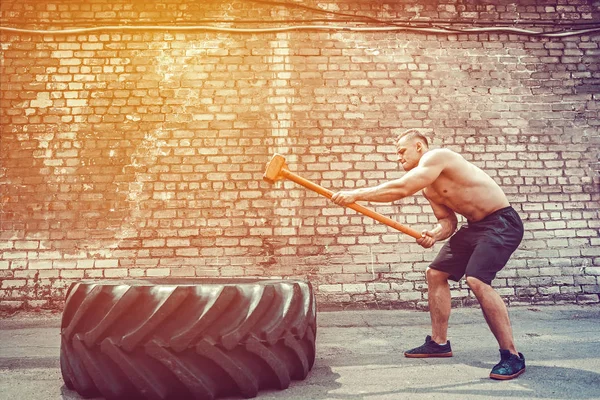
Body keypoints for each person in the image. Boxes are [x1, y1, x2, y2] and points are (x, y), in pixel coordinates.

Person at [331, 129, 526, 380]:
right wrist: (434, 234)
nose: (398, 158)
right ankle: (439, 343)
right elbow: (448, 222)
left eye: (402, 151)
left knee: (476, 279)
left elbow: (401, 189)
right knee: (435, 273)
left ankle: (511, 355)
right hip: (475, 227)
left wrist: (356, 194)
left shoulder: (437, 157)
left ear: (420, 147)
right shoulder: (430, 190)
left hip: (501, 222)